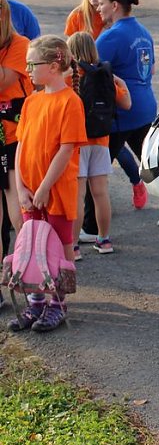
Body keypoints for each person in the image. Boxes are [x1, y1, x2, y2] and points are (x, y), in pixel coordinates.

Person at [9, 35, 87, 333]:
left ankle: (58, 303)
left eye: (32, 64)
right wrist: (22, 187)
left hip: (55, 192)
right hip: (31, 193)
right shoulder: (31, 102)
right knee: (31, 246)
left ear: (54, 66)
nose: (27, 69)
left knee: (59, 247)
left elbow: (66, 150)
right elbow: (20, 147)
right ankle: (36, 301)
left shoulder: (71, 102)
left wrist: (43, 188)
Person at [78, 0, 157, 245]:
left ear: (114, 6)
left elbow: (90, 70)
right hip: (144, 106)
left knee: (94, 173)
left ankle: (90, 227)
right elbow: (151, 68)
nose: (97, 8)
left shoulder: (111, 36)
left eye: (101, 3)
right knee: (155, 165)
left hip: (121, 113)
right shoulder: (142, 31)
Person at [66, 32, 132, 259]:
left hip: (77, 142)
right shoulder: (105, 75)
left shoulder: (71, 76)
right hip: (102, 141)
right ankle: (104, 240)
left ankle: (73, 246)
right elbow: (126, 104)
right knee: (100, 193)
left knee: (78, 195)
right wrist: (121, 83)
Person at [0, 0, 28, 244]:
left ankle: (23, 268)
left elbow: (2, 81)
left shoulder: (19, 44)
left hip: (13, 137)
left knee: (18, 207)